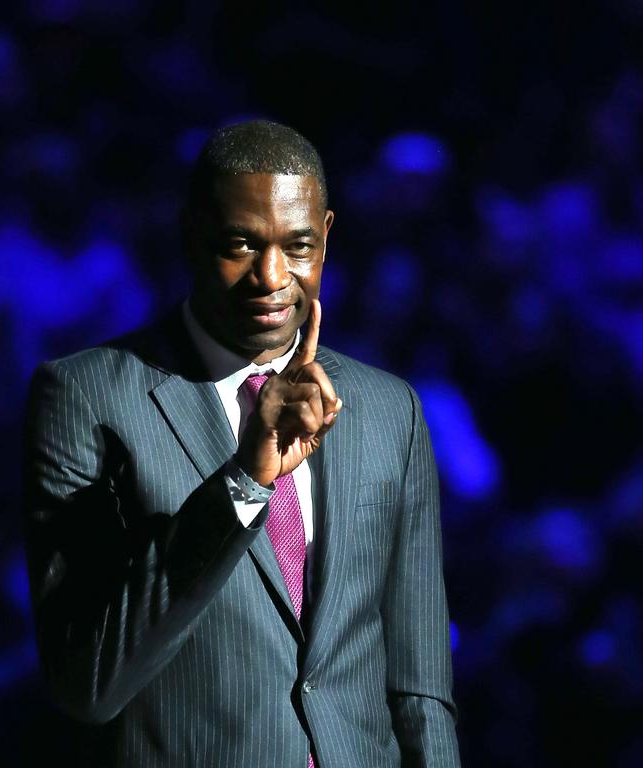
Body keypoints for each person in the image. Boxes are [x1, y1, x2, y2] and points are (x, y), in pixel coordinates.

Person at [23, 119, 461, 767]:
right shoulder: (86, 396)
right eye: (241, 244)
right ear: (191, 234)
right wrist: (244, 482)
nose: (273, 275)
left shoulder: (389, 409)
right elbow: (87, 683)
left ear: (328, 237)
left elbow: (420, 687)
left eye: (299, 246)